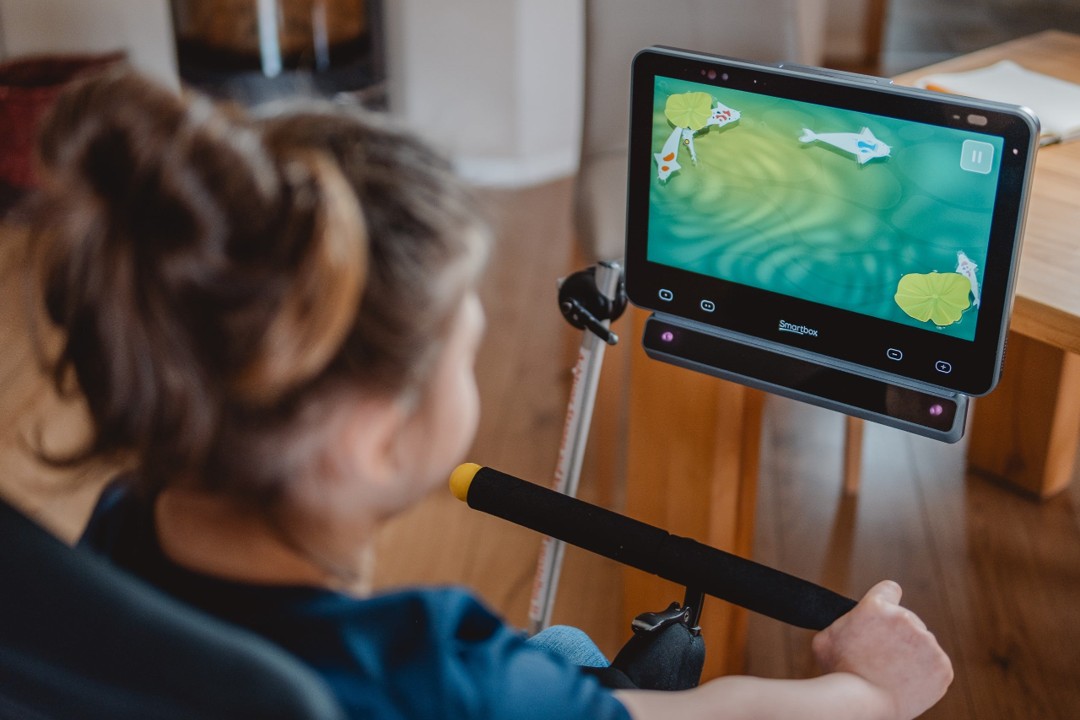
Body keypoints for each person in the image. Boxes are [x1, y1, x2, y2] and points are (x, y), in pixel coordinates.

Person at [26, 67, 952, 720]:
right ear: (374, 439)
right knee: (571, 660)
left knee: (564, 656)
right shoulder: (439, 674)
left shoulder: (121, 518)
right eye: (465, 354)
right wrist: (867, 696)